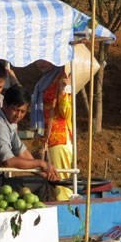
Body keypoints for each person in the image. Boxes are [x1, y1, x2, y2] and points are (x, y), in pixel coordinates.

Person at [0, 85, 60, 201]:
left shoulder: (10, 122)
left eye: (22, 111)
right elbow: (9, 162)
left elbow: (21, 151)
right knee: (42, 185)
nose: (18, 115)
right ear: (5, 105)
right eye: (15, 110)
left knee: (43, 180)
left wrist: (42, 173)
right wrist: (41, 164)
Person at [30, 60, 73, 200]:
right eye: (38, 58)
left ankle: (66, 214)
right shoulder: (45, 80)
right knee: (46, 182)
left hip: (58, 138)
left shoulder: (64, 77)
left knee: (60, 183)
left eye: (45, 58)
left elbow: (67, 113)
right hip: (43, 138)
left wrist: (62, 92)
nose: (40, 62)